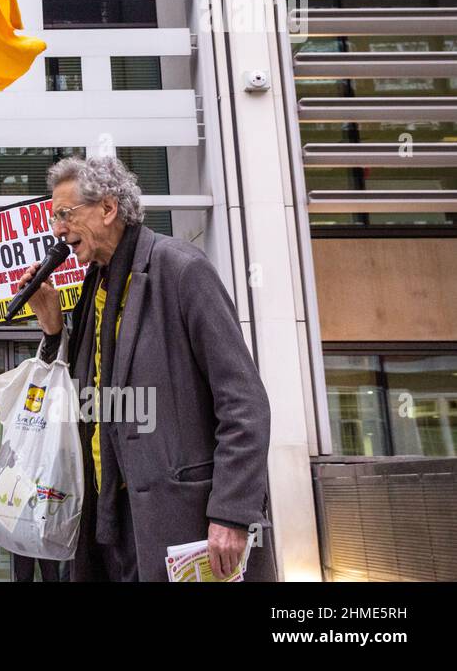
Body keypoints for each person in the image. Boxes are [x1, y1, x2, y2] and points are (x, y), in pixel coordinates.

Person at [17, 156, 274, 582]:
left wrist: (231, 512)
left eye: (65, 215)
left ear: (108, 208)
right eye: (54, 220)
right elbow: (79, 396)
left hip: (181, 521)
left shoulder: (181, 269)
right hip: (108, 521)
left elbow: (245, 403)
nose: (58, 231)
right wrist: (51, 324)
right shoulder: (93, 288)